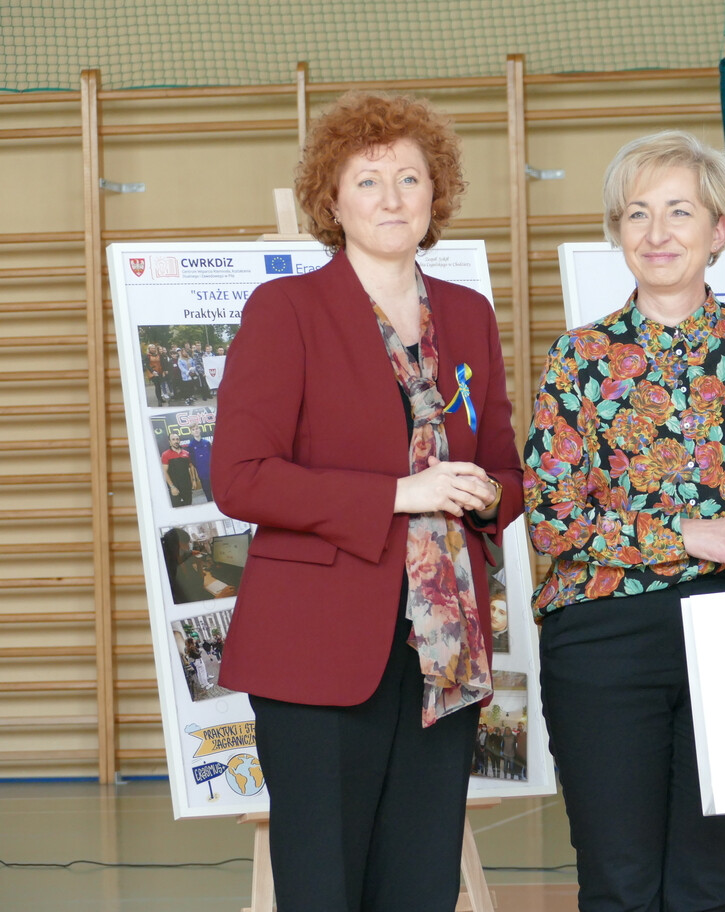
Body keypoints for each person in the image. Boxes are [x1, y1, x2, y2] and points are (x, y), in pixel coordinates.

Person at [212, 91, 521, 912]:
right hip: (316, 648)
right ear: (333, 200)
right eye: (368, 181)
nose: (392, 198)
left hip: (443, 650)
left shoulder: (469, 314)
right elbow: (240, 476)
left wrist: (487, 494)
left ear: (435, 195)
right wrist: (398, 494)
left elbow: (507, 470)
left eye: (410, 179)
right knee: (323, 886)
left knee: (420, 886)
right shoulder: (287, 311)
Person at [524, 130, 725, 912]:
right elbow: (550, 521)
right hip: (603, 639)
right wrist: (685, 535)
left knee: (706, 884)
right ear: (617, 231)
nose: (656, 232)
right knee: (619, 884)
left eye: (679, 212)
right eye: (637, 213)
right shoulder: (578, 357)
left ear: (719, 230)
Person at [160, 431, 194, 507]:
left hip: (186, 486)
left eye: (177, 439)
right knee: (177, 508)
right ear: (170, 442)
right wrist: (172, 487)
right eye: (173, 439)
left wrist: (193, 480)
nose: (176, 441)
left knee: (188, 505)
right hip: (175, 487)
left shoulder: (186, 453)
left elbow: (191, 466)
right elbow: (164, 471)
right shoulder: (165, 454)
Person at [183, 423, 215, 503]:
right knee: (208, 493)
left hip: (213, 472)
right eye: (193, 430)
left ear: (200, 430)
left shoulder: (206, 443)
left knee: (217, 491)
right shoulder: (191, 445)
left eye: (197, 428)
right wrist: (200, 467)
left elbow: (212, 456)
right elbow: (193, 461)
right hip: (202, 474)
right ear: (191, 432)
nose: (196, 431)